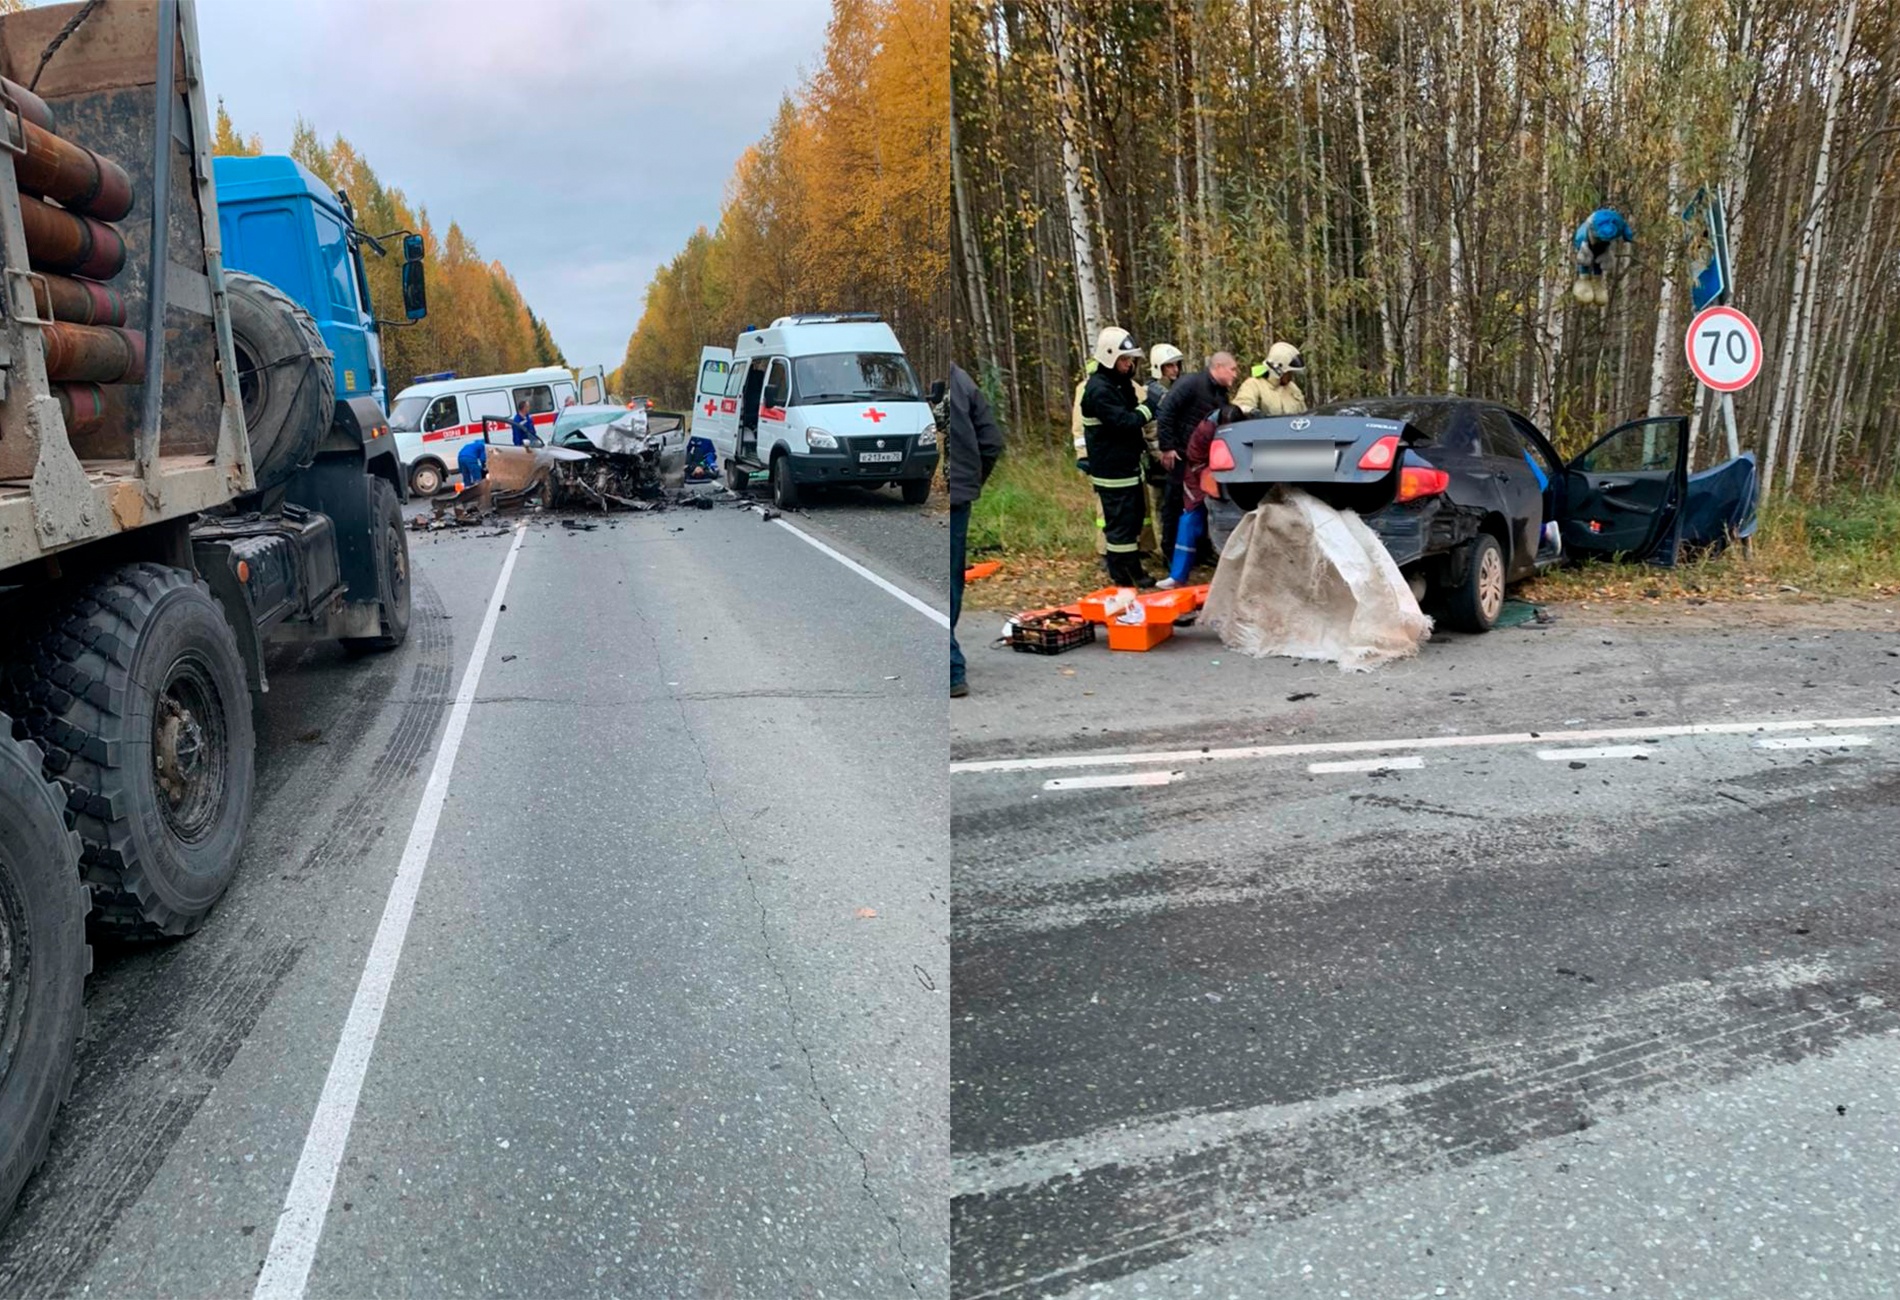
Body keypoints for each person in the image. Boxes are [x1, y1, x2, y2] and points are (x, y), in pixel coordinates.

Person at [1080, 326, 1156, 587]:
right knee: (1120, 527)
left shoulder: (1118, 383)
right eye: (1125, 360)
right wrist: (1150, 407)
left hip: (1127, 466)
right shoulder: (1099, 389)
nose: (1129, 364)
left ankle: (1130, 569)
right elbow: (1123, 422)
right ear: (1109, 357)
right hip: (1112, 470)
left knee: (1133, 522)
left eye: (1131, 359)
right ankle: (1124, 574)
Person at [1154, 351, 1238, 572]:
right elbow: (1166, 412)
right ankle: (1170, 554)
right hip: (1180, 455)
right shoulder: (1190, 383)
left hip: (1203, 460)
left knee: (1203, 504)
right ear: (1219, 367)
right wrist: (1167, 447)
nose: (1235, 375)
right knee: (1174, 504)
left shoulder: (1221, 394)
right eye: (1233, 369)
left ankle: (1201, 552)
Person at [949, 364, 1004, 699]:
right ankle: (951, 665)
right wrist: (971, 482)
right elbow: (991, 442)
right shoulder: (962, 379)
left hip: (950, 490)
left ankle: (950, 666)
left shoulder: (953, 382)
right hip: (958, 494)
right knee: (952, 576)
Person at [1158, 403, 1239, 589]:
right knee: (1190, 520)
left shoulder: (1242, 424)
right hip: (1201, 478)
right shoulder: (1205, 430)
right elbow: (1195, 460)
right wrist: (1210, 482)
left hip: (1232, 479)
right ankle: (1177, 576)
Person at [1233, 341, 1308, 416]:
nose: (1290, 376)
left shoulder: (1293, 388)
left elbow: (1304, 415)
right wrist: (1253, 412)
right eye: (1288, 372)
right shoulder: (1253, 385)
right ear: (1278, 370)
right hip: (1264, 427)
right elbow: (1241, 406)